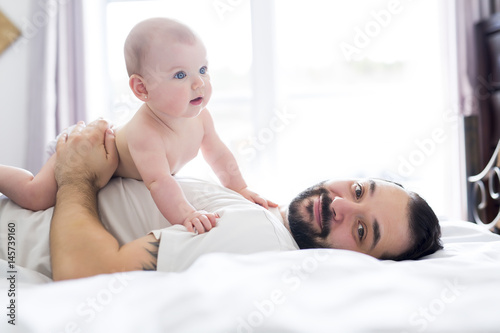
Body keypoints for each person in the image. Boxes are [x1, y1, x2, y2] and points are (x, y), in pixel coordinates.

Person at [32, 119, 441, 281]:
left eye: (362, 228)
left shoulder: (255, 238)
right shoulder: (268, 217)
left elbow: (84, 271)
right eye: (357, 191)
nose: (341, 206)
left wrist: (76, 175)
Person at [0, 17, 274, 234]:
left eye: (202, 69)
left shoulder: (201, 116)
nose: (198, 82)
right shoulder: (147, 132)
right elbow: (159, 181)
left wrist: (239, 188)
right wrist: (187, 214)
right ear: (142, 88)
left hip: (103, 156)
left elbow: (218, 154)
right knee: (35, 195)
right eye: (180, 75)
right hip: (86, 149)